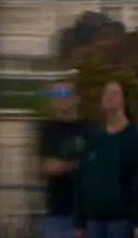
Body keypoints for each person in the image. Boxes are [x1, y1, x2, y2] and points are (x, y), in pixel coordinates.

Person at [74, 81, 138, 238]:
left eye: (114, 93)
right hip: (94, 221)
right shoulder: (93, 140)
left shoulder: (137, 139)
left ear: (124, 100)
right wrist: (79, 222)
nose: (108, 97)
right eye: (105, 93)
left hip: (122, 222)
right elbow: (83, 182)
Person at [39, 80, 88, 238]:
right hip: (58, 212)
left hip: (88, 213)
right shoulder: (48, 130)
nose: (59, 98)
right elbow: (47, 167)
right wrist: (77, 164)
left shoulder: (89, 129)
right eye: (55, 94)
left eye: (63, 94)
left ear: (76, 98)